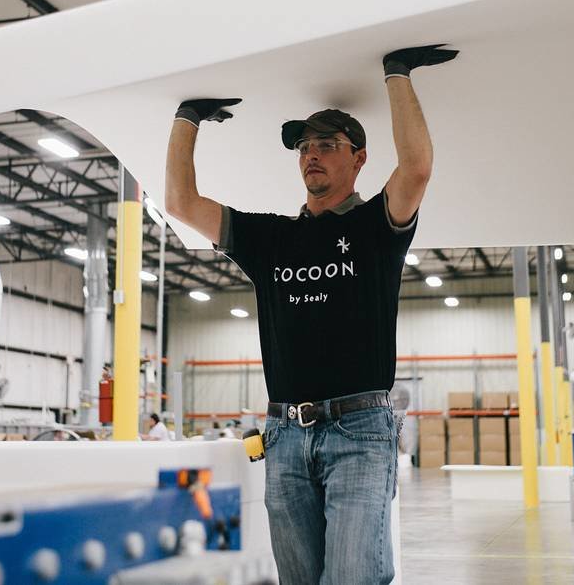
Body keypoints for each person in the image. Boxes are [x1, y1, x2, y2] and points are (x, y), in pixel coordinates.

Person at [165, 44, 456, 585]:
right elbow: (181, 203)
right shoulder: (271, 239)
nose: (311, 155)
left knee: (351, 576)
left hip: (360, 431)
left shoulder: (375, 227)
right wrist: (189, 118)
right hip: (284, 434)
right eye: (303, 147)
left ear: (358, 158)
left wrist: (396, 71)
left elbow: (416, 167)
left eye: (327, 145)